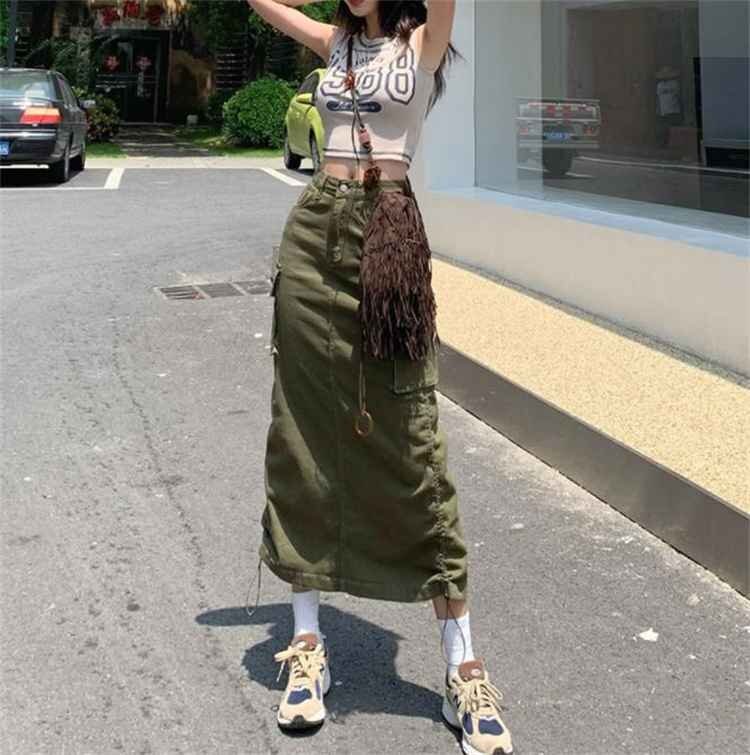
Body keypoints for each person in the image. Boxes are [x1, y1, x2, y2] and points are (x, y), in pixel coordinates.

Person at [244, 2, 514, 753]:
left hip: (388, 237)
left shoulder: (424, 42)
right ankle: (306, 644)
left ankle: (463, 666)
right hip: (314, 235)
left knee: (413, 442)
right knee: (302, 429)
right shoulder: (333, 42)